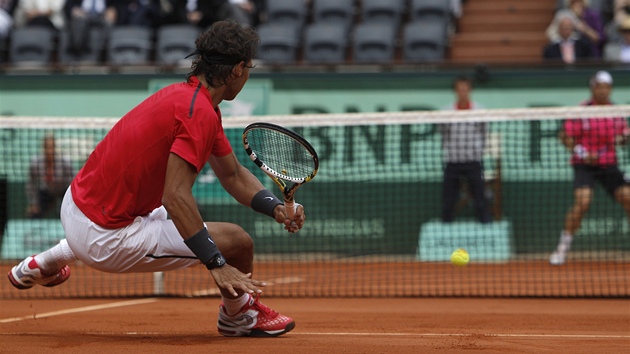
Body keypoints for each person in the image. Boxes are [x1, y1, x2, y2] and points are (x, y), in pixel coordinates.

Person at [7, 20, 301, 337]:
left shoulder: (188, 100)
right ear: (237, 70)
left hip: (77, 203)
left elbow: (231, 174)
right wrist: (216, 263)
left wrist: (275, 208)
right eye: (249, 68)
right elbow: (174, 197)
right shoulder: (198, 112)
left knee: (163, 214)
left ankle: (44, 262)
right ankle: (238, 315)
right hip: (104, 237)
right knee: (237, 242)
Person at [549, 71, 630, 266]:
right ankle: (562, 249)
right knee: (583, 202)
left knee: (628, 198)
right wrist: (584, 153)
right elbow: (564, 136)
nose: (603, 90)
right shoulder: (582, 110)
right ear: (593, 87)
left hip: (609, 164)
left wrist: (624, 138)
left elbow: (622, 138)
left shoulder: (615, 112)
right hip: (584, 165)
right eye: (599, 86)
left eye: (606, 87)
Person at [439, 75, 492, 224]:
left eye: (465, 89)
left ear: (470, 90)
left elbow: (483, 132)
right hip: (453, 160)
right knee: (448, 196)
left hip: (473, 160)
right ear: (455, 91)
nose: (462, 92)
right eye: (459, 89)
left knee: (479, 195)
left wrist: (477, 150)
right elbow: (443, 133)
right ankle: (445, 224)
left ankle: (485, 223)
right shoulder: (446, 112)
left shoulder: (480, 111)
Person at [26, 134, 75, 219]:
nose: (49, 151)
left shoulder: (65, 162)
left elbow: (72, 182)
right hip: (45, 192)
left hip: (62, 191)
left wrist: (69, 202)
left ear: (55, 147)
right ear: (43, 148)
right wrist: (33, 203)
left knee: (68, 214)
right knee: (34, 213)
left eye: (51, 147)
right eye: (47, 147)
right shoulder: (35, 163)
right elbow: (31, 184)